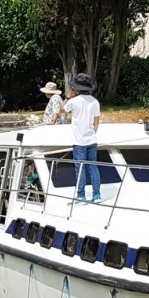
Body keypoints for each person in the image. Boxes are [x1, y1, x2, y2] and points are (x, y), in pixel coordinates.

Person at [64, 72, 102, 202]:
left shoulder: (73, 102)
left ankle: (81, 195)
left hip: (79, 141)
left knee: (80, 169)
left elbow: (62, 110)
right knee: (93, 167)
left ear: (76, 89)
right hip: (92, 140)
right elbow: (96, 122)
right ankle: (97, 194)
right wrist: (92, 133)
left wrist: (68, 96)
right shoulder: (95, 102)